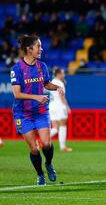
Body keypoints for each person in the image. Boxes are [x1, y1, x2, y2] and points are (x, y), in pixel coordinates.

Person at [11, 34, 61, 185]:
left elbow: (46, 84)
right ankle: (40, 174)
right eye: (39, 46)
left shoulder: (42, 66)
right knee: (34, 149)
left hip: (40, 112)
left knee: (46, 143)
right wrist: (36, 97)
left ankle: (49, 164)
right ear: (29, 49)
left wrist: (57, 87)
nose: (41, 49)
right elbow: (17, 94)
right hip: (23, 114)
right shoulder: (17, 69)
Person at [49, 67, 72, 151]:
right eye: (62, 73)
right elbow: (62, 97)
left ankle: (42, 140)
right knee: (63, 125)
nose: (64, 75)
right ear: (58, 74)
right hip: (59, 106)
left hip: (51, 106)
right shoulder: (59, 83)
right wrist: (67, 106)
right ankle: (63, 147)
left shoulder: (52, 82)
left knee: (55, 128)